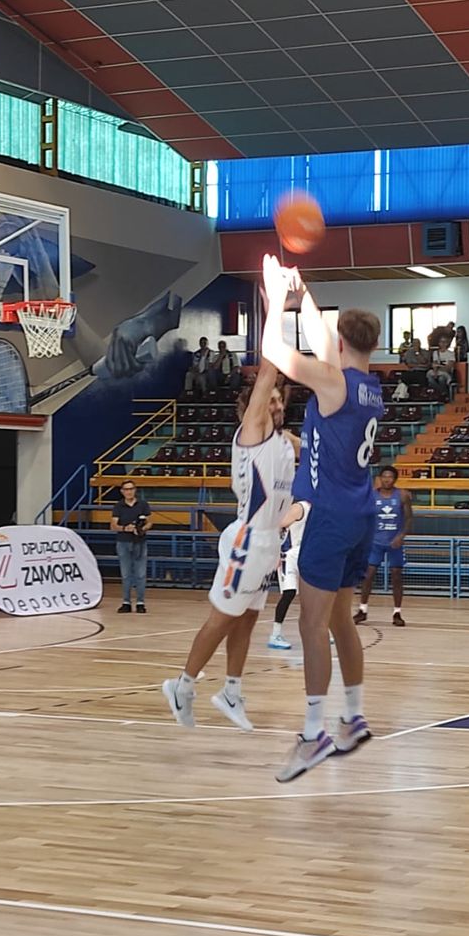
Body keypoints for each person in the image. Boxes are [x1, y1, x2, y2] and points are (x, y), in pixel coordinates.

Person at [258, 256, 386, 782]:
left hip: (330, 517)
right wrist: (304, 294)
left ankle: (313, 735)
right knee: (338, 620)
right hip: (360, 514)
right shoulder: (368, 386)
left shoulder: (333, 384)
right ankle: (353, 716)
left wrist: (272, 302)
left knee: (312, 625)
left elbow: (275, 352)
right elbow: (321, 340)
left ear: (340, 341)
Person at [161, 345, 294, 732]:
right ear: (252, 409)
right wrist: (280, 305)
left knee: (249, 619)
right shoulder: (253, 433)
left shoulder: (285, 442)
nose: (276, 405)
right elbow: (269, 372)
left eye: (278, 402)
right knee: (222, 619)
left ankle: (232, 691)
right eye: (269, 401)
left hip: (268, 541)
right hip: (248, 540)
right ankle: (182, 686)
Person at [356, 465, 412, 626]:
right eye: (384, 476)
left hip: (394, 542)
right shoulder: (372, 496)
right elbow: (365, 518)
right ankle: (363, 609)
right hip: (375, 541)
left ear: (395, 479)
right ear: (380, 478)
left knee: (396, 576)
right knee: (368, 575)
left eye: (390, 477)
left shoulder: (402, 495)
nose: (387, 479)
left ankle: (397, 612)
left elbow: (409, 518)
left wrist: (401, 535)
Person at [269, 499, 309, 651]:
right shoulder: (300, 507)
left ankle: (316, 630)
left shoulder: (320, 507)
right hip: (291, 556)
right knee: (289, 593)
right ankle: (275, 634)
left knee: (312, 595)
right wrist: (275, 552)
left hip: (308, 554)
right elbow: (278, 526)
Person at [111, 479, 151, 613]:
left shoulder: (143, 505)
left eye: (131, 489)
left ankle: (140, 602)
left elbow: (149, 522)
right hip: (123, 542)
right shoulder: (118, 506)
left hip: (140, 542)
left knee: (140, 573)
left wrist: (142, 529)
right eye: (126, 489)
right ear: (122, 492)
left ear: (135, 490)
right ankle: (126, 602)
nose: (129, 492)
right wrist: (125, 528)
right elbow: (113, 525)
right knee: (126, 574)